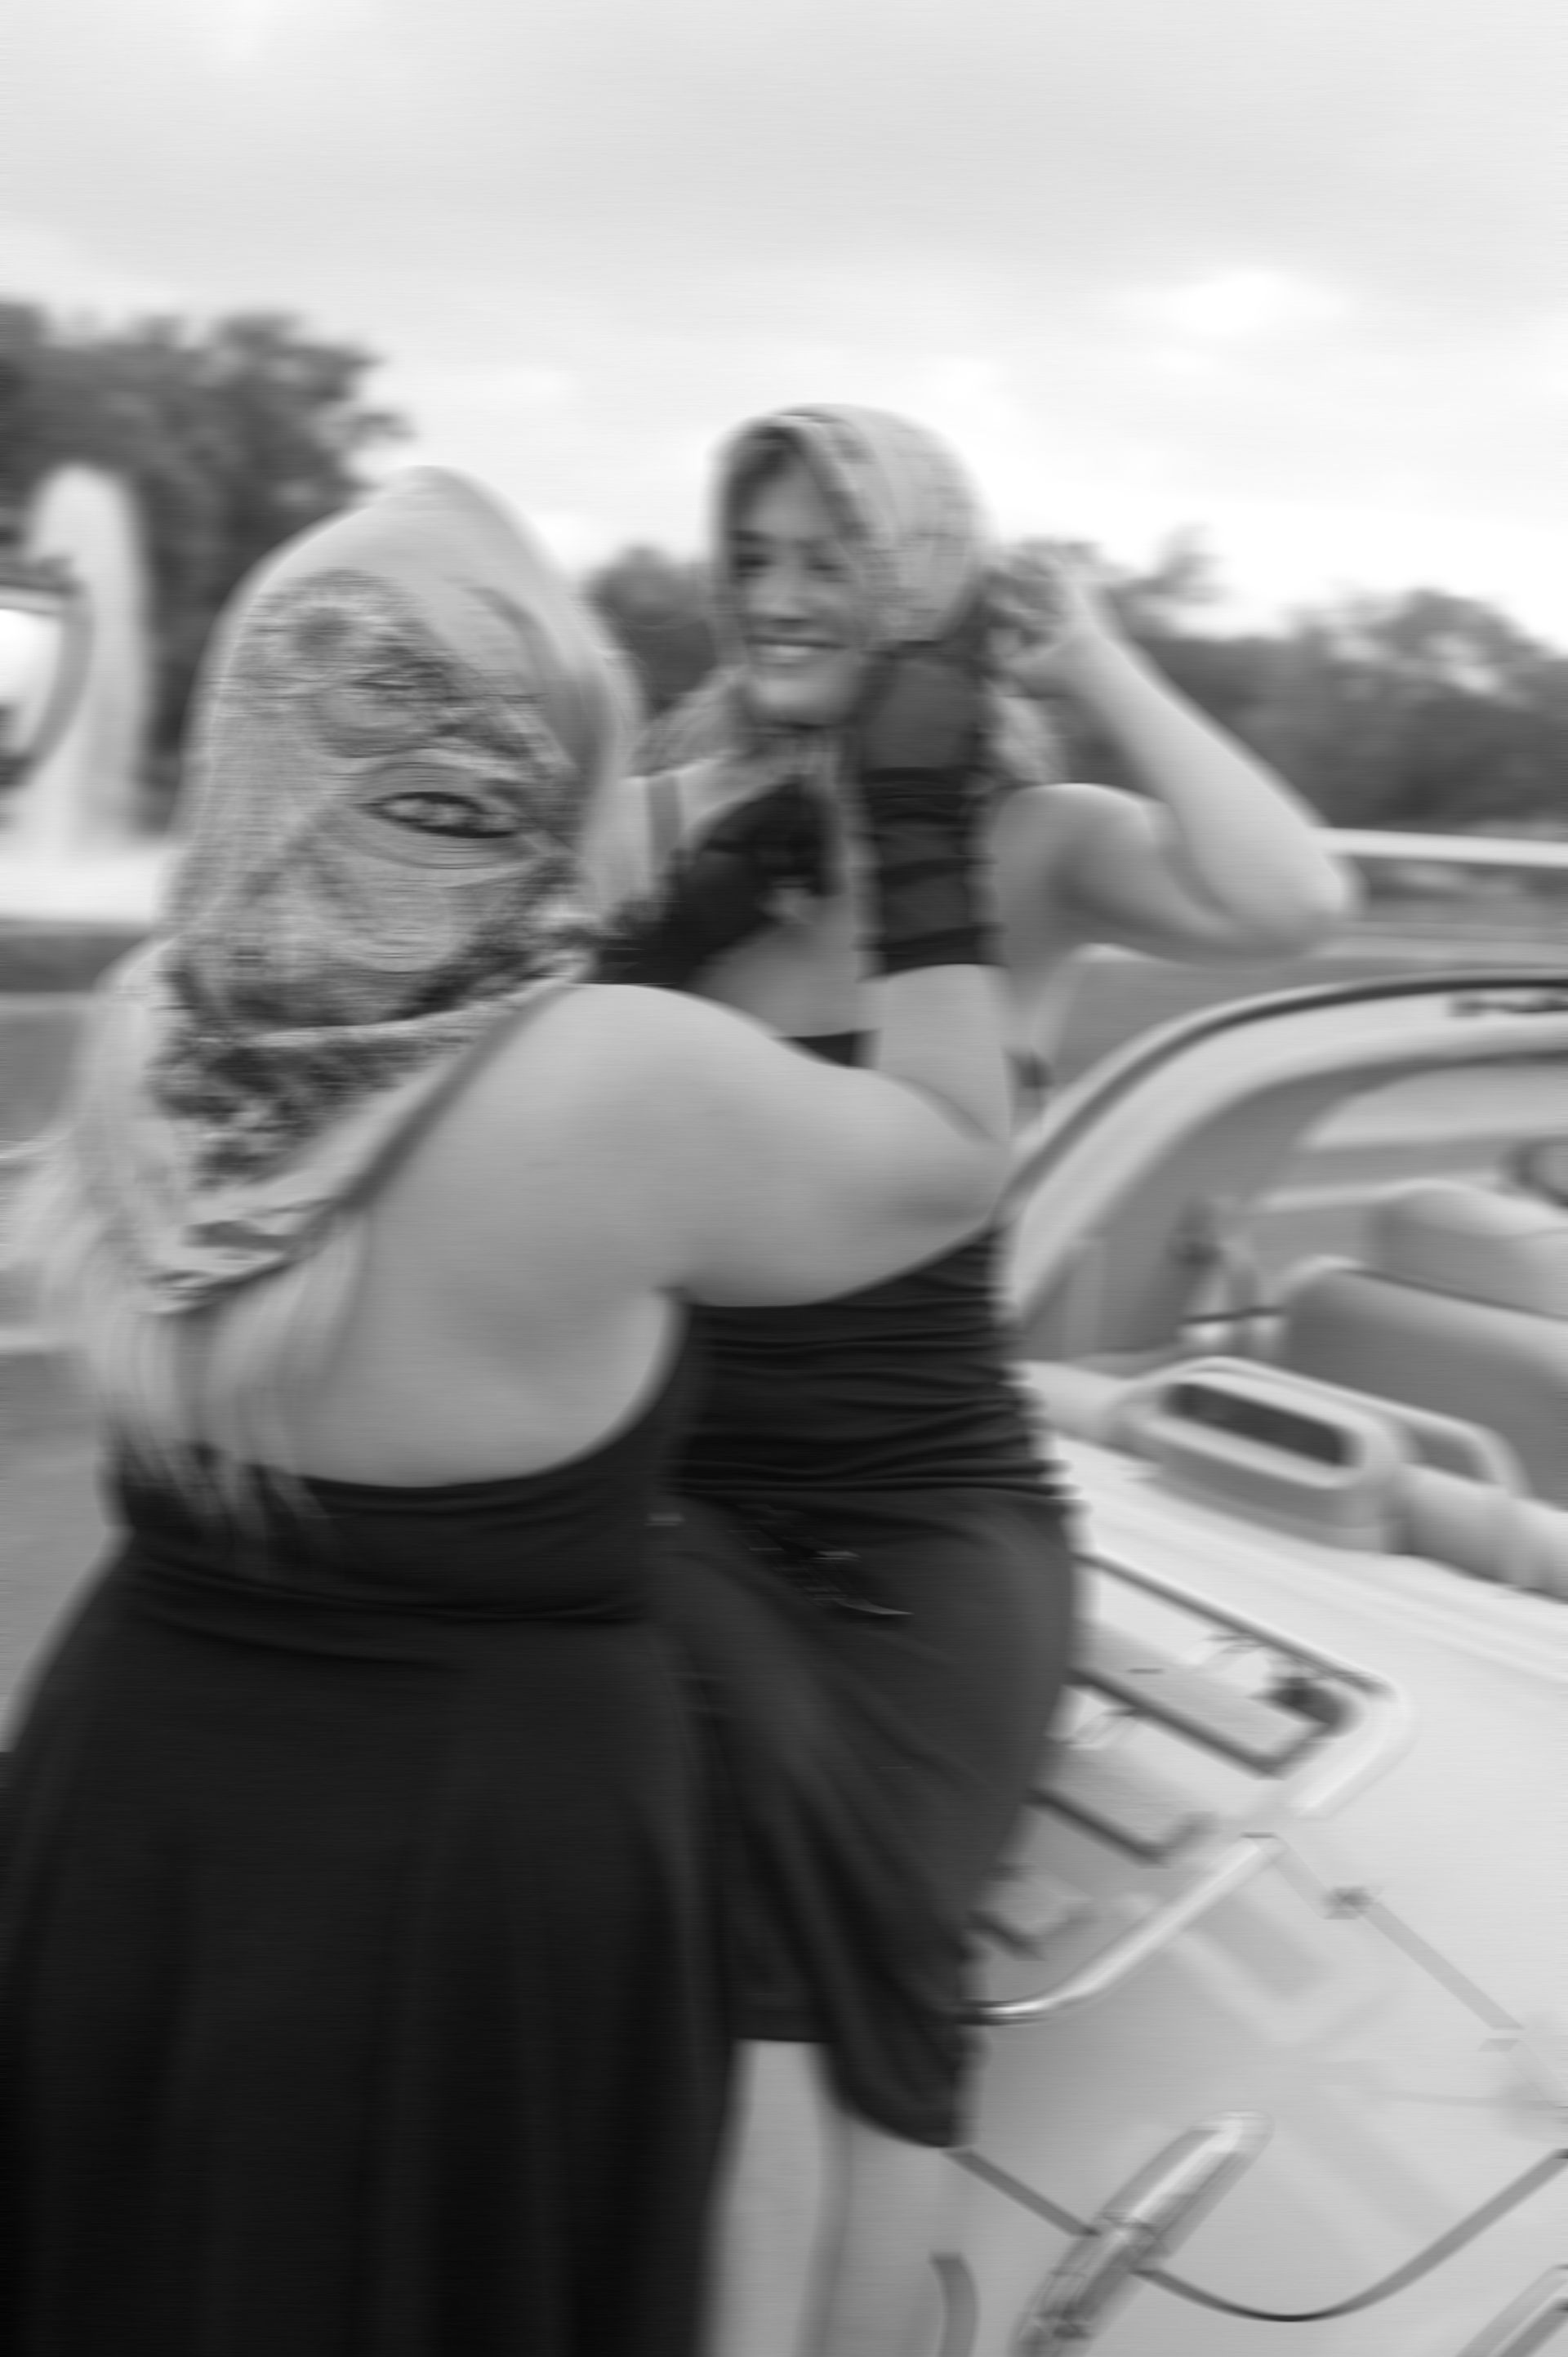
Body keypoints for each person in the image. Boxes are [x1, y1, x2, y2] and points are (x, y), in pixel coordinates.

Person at [0, 466, 1017, 2357]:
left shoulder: (154, 1025)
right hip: (483, 1880)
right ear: (534, 751)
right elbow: (954, 1157)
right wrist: (925, 812)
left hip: (129, 1803)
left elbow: (424, 999)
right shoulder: (615, 1085)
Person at [584, 403, 1353, 2357]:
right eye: (749, 556)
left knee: (881, 1969)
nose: (774, 594)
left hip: (943, 1521)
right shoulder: (677, 815)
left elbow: (1296, 904)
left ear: (920, 573)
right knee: (764, 1962)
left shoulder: (1036, 848)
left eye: (825, 554)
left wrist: (1088, 650)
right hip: (694, 1504)